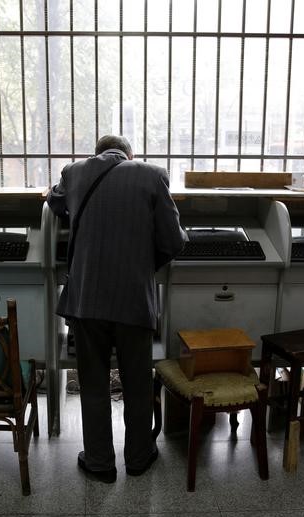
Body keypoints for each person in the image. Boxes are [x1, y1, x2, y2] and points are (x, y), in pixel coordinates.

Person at [47, 135, 186, 483]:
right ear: (130, 155)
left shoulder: (74, 172)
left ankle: (98, 462)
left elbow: (54, 200)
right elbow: (172, 241)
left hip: (85, 301)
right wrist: (141, 267)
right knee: (137, 383)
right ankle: (138, 458)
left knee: (93, 384)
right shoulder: (153, 174)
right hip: (133, 301)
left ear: (97, 154)